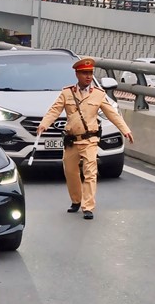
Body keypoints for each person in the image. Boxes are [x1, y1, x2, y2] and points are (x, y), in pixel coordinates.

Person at [38, 58, 134, 220]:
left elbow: (112, 113)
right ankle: (76, 200)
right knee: (70, 172)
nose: (88, 76)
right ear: (77, 74)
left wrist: (125, 129)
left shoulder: (98, 94)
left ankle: (88, 206)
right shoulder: (67, 93)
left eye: (90, 73)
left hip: (90, 140)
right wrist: (44, 124)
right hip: (71, 140)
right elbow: (54, 110)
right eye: (84, 73)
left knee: (90, 172)